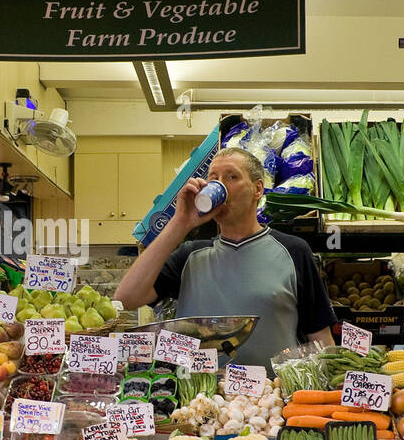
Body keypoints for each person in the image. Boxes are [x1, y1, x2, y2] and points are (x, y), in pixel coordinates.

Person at [115, 146, 336, 368]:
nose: (220, 185)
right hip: (201, 398)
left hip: (273, 397)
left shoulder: (294, 251)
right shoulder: (190, 256)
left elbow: (320, 338)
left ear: (257, 189)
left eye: (232, 177)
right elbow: (126, 299)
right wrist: (180, 223)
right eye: (214, 178)